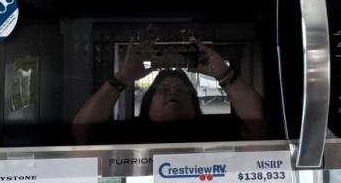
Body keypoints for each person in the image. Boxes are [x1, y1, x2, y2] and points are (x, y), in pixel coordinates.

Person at [72, 38, 265, 141]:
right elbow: (83, 132)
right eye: (163, 89)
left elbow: (259, 128)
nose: (172, 92)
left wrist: (224, 73)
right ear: (147, 105)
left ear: (194, 106)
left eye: (182, 90)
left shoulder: (213, 132)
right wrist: (122, 77)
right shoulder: (130, 134)